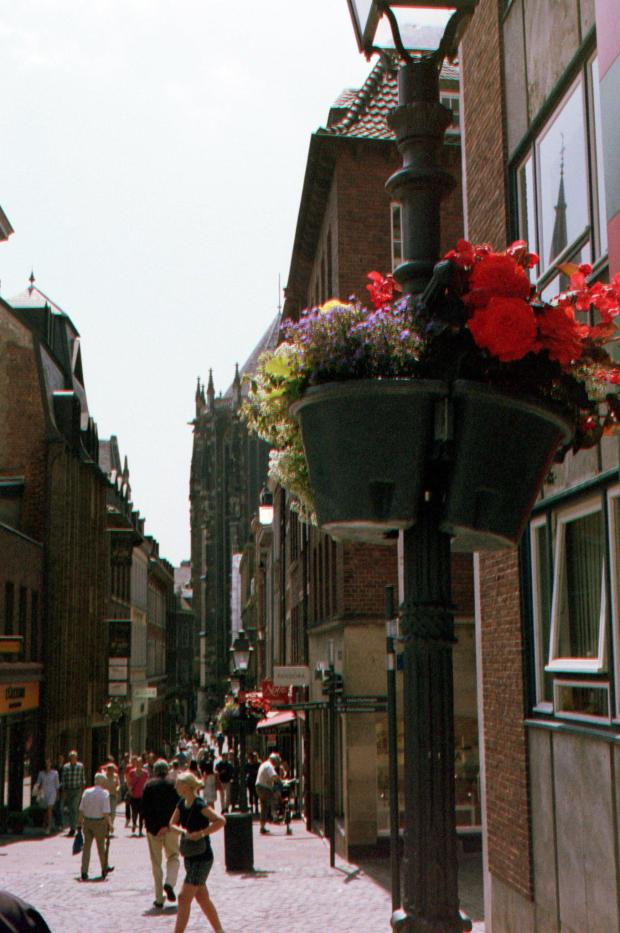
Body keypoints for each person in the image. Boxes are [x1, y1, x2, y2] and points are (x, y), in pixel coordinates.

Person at [170, 772, 226, 933]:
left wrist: (201, 833)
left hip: (202, 856)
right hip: (189, 855)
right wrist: (183, 832)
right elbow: (171, 824)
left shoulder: (199, 804)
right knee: (202, 898)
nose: (176, 787)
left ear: (187, 786)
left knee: (183, 897)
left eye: (179, 784)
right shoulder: (181, 803)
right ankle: (220, 931)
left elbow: (220, 821)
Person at [142, 759, 181, 910]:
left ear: (155, 771)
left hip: (154, 831)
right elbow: (179, 807)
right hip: (172, 828)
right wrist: (169, 825)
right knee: (173, 857)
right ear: (167, 770)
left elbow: (145, 810)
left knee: (156, 863)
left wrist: (155, 827)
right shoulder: (174, 784)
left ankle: (159, 898)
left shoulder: (149, 786)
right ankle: (169, 883)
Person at [77, 773, 114, 881]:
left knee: (86, 848)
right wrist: (110, 824)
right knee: (101, 848)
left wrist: (79, 822)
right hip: (99, 822)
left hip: (87, 821)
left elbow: (81, 809)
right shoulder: (105, 794)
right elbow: (106, 812)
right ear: (102, 782)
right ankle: (104, 868)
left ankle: (84, 871)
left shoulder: (86, 792)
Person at [60, 750, 86, 836]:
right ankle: (75, 825)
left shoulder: (80, 766)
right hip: (69, 790)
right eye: (71, 757)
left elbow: (82, 778)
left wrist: (83, 790)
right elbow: (63, 779)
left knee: (74, 807)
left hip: (77, 790)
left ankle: (73, 827)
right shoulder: (66, 767)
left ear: (76, 758)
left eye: (74, 757)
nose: (73, 758)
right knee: (71, 809)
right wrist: (64, 790)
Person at [33, 758, 60, 835]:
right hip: (44, 793)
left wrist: (57, 794)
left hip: (52, 792)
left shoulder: (55, 773)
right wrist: (37, 789)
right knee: (46, 810)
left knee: (49, 808)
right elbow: (38, 783)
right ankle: (47, 823)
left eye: (49, 763)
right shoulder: (41, 773)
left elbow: (57, 784)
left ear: (51, 764)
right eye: (46, 763)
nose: (47, 764)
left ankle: (49, 826)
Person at [255, 753, 280, 834]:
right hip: (264, 787)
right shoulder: (269, 766)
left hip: (259, 786)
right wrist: (280, 781)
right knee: (274, 798)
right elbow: (273, 776)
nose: (276, 764)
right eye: (276, 762)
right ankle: (275, 815)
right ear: (274, 760)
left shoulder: (264, 764)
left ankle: (262, 827)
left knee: (264, 807)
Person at [126, 757, 148, 836]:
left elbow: (147, 784)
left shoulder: (145, 773)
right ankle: (134, 823)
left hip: (142, 797)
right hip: (134, 796)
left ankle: (140, 830)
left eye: (140, 763)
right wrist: (130, 790)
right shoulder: (131, 772)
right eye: (137, 763)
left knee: (141, 814)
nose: (139, 764)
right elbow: (128, 782)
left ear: (142, 764)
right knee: (134, 813)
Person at [99, 763, 121, 834]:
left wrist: (117, 789)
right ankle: (106, 827)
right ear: (107, 770)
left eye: (112, 770)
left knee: (112, 812)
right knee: (106, 812)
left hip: (113, 795)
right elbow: (100, 785)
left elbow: (118, 784)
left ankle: (110, 825)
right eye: (109, 769)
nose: (111, 771)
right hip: (105, 796)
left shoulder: (116, 776)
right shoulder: (103, 776)